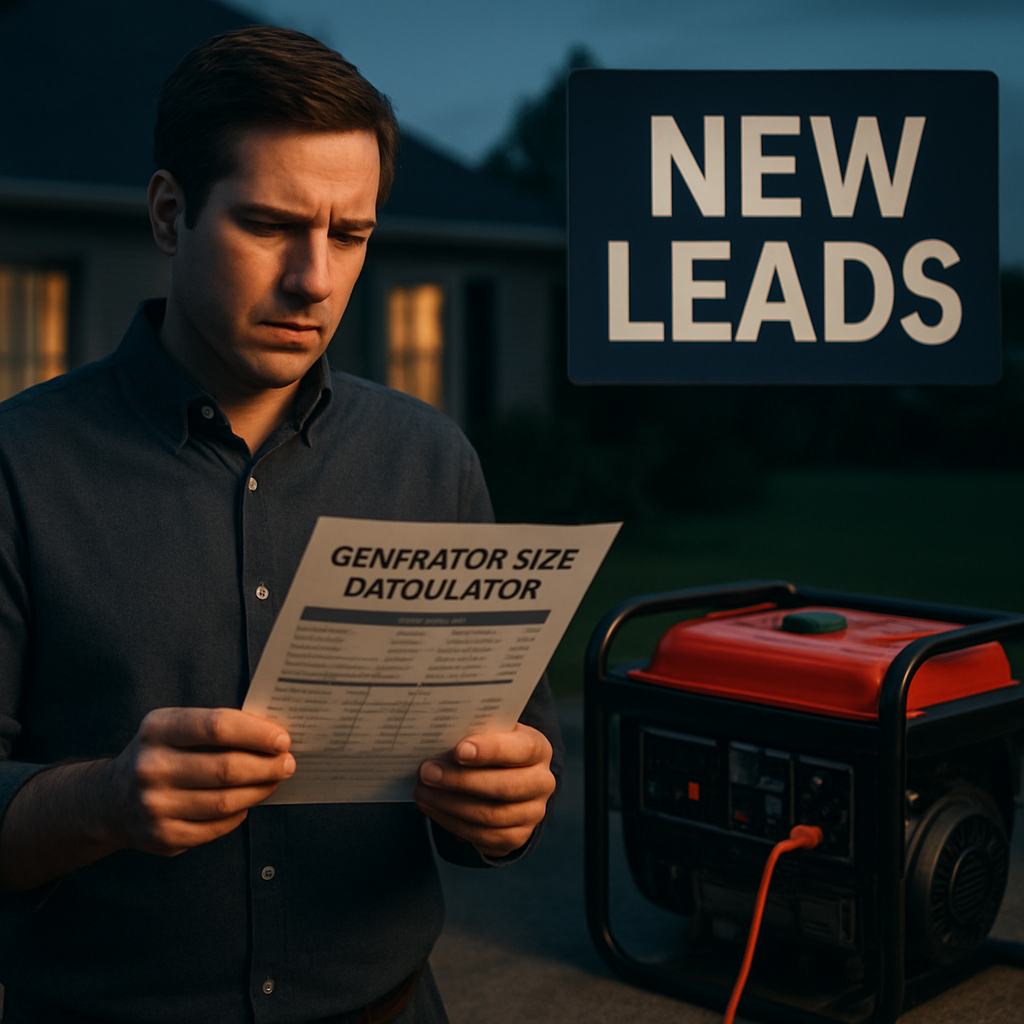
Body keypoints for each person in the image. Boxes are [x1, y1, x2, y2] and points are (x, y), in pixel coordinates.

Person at [0, 25, 561, 1024]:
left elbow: (502, 785)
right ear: (169, 214)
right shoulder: (18, 465)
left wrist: (505, 807)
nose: (315, 279)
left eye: (350, 236)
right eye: (269, 225)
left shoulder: (432, 462)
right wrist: (106, 800)